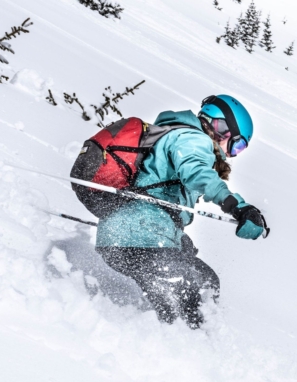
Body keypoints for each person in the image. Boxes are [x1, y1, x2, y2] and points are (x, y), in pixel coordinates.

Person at [95, 94, 266, 329]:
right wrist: (237, 206)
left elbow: (161, 198)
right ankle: (180, 343)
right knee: (190, 295)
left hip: (133, 237)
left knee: (205, 283)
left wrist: (178, 239)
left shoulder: (175, 136)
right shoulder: (192, 139)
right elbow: (197, 173)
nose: (232, 154)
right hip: (139, 238)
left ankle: (174, 336)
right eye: (237, 145)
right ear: (221, 127)